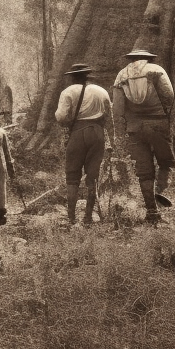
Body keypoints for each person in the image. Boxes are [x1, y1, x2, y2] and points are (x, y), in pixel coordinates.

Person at [112, 48, 175, 224]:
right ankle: (160, 191)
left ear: (131, 59)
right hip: (158, 124)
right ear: (147, 59)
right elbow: (169, 96)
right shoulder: (156, 70)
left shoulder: (121, 75)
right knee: (165, 162)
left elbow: (117, 109)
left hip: (134, 129)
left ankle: (152, 212)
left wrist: (127, 121)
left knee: (144, 172)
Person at [55, 62, 112, 226]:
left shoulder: (68, 92)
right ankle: (88, 217)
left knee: (72, 176)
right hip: (97, 132)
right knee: (93, 175)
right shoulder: (101, 91)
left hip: (77, 133)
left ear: (72, 77)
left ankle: (71, 218)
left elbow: (60, 117)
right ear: (87, 76)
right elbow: (109, 115)